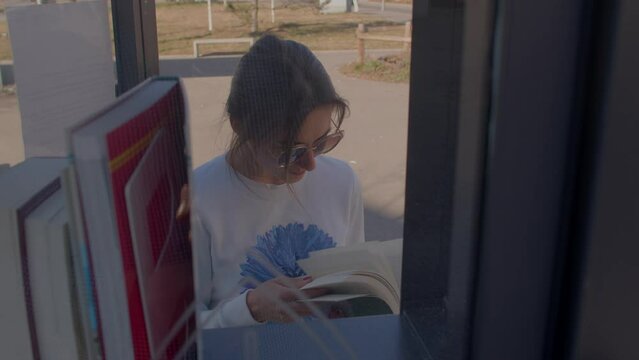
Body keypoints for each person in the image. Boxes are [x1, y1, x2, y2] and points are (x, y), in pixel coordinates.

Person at [191, 34, 365, 329]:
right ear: (240, 126)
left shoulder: (342, 181)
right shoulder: (198, 198)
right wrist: (251, 308)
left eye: (322, 143)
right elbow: (179, 334)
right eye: (290, 151)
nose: (311, 164)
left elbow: (359, 286)